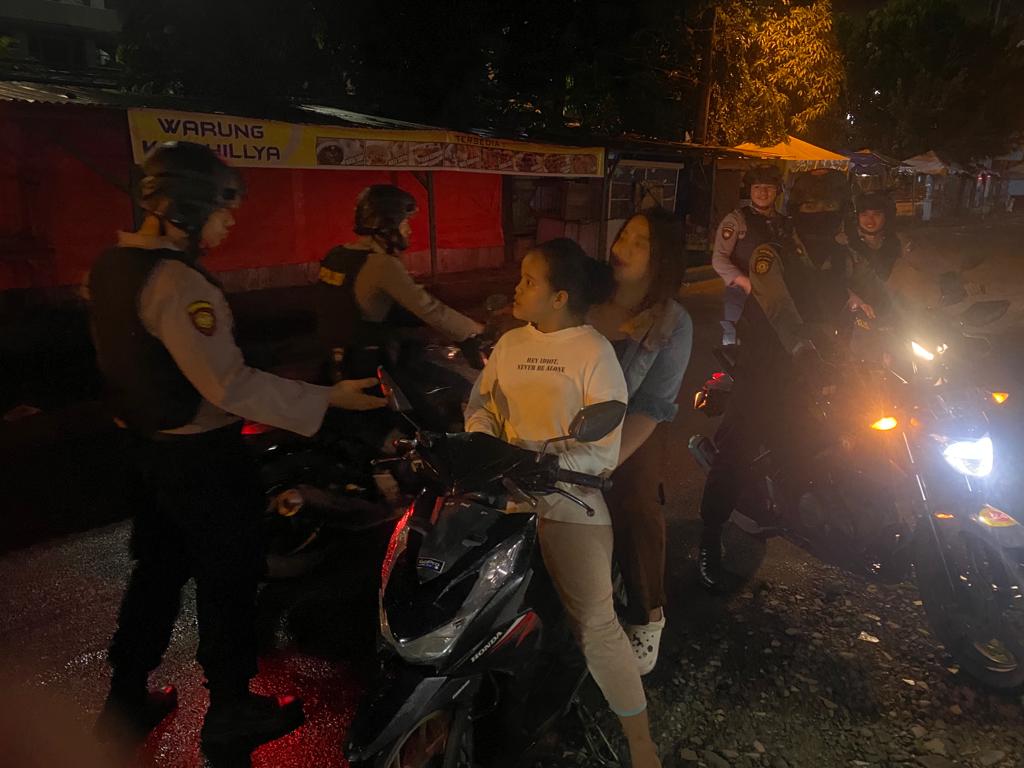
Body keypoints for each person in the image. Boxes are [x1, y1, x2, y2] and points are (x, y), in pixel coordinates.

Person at [88, 141, 386, 750]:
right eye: (223, 212)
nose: (228, 225)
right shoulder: (178, 282)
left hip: (147, 453)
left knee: (157, 574)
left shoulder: (112, 266)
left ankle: (124, 700)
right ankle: (229, 708)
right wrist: (329, 398)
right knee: (229, 576)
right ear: (190, 207)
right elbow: (228, 384)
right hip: (201, 458)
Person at [465, 239, 661, 768]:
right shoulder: (510, 343)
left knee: (595, 624)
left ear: (560, 297)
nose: (517, 288)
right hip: (506, 496)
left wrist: (555, 460)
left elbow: (606, 430)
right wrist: (482, 437)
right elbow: (483, 402)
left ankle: (641, 745)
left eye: (529, 281)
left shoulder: (593, 351)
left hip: (569, 499)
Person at [696, 168, 878, 592]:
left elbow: (884, 288)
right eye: (812, 207)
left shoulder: (841, 256)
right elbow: (781, 311)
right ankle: (709, 540)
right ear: (796, 210)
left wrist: (939, 310)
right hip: (767, 365)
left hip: (823, 363)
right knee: (738, 449)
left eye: (830, 208)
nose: (821, 215)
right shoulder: (771, 254)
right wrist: (803, 351)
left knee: (835, 433)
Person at [588, 208, 692, 675]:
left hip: (632, 423)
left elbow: (652, 406)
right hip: (570, 416)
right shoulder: (587, 295)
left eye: (638, 242)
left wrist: (604, 462)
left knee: (634, 500)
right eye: (622, 236)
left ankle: (648, 614)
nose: (622, 248)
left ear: (661, 257)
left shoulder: (672, 321)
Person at [315, 184, 483, 375]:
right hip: (367, 366)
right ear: (389, 224)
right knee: (444, 386)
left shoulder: (336, 255)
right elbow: (429, 308)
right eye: (405, 223)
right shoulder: (381, 264)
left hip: (333, 361)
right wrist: (473, 330)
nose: (409, 230)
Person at [711, 164, 792, 345]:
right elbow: (719, 259)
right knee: (734, 342)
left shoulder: (784, 223)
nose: (762, 192)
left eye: (768, 187)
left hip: (775, 295)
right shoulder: (736, 220)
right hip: (742, 294)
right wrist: (745, 283)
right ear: (750, 190)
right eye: (757, 187)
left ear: (777, 190)